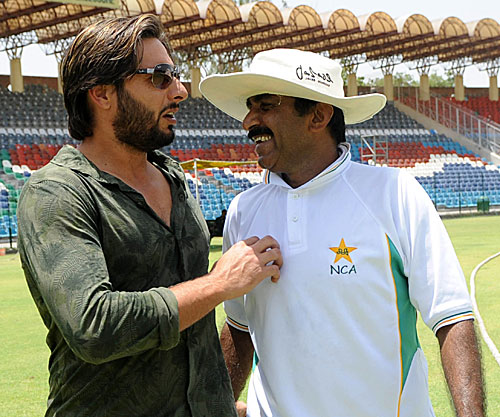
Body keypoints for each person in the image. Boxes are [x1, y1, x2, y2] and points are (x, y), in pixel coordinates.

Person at [17, 15, 282, 417]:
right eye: (159, 77)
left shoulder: (173, 177)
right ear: (102, 93)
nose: (180, 91)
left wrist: (219, 403)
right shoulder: (58, 192)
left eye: (174, 75)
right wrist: (218, 284)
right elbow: (95, 326)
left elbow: (192, 327)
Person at [200, 48, 485, 417]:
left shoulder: (394, 193)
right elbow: (239, 329)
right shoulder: (244, 209)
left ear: (318, 115)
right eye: (250, 106)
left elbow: (452, 319)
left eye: (266, 105)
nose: (248, 121)